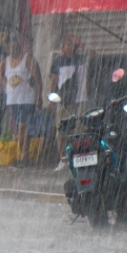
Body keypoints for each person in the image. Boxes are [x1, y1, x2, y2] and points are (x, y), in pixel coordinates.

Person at [49, 34, 91, 171]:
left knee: (81, 130)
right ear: (63, 47)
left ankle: (79, 158)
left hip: (80, 99)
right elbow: (54, 80)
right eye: (68, 44)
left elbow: (94, 54)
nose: (70, 47)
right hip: (64, 100)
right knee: (61, 130)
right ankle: (63, 159)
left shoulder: (82, 59)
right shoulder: (58, 61)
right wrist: (51, 97)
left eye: (72, 44)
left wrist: (81, 43)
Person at [2, 37, 43, 165]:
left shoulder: (27, 59)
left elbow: (37, 78)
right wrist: (5, 85)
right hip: (13, 99)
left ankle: (23, 155)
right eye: (8, 48)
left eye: (13, 47)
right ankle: (22, 155)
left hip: (27, 98)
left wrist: (38, 96)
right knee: (19, 128)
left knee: (22, 126)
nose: (11, 50)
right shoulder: (6, 61)